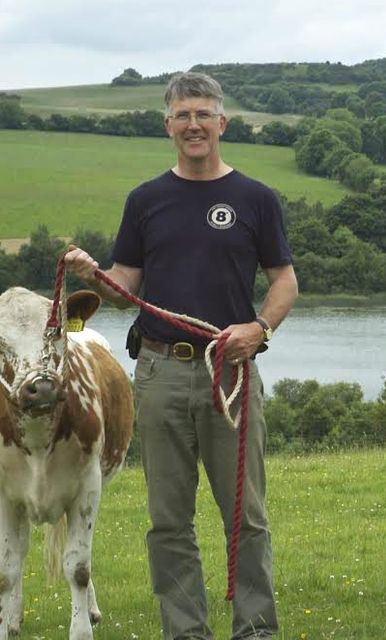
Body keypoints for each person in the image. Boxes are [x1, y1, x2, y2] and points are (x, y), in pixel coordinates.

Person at [64, 71, 298, 639]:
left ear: (223, 122)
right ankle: (186, 633)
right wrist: (90, 272)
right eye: (182, 115)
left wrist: (259, 328)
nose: (194, 124)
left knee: (247, 516)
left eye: (204, 113)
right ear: (167, 125)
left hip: (231, 373)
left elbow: (285, 280)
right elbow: (125, 282)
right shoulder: (146, 200)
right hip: (159, 371)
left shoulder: (255, 199)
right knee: (169, 521)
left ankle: (256, 631)